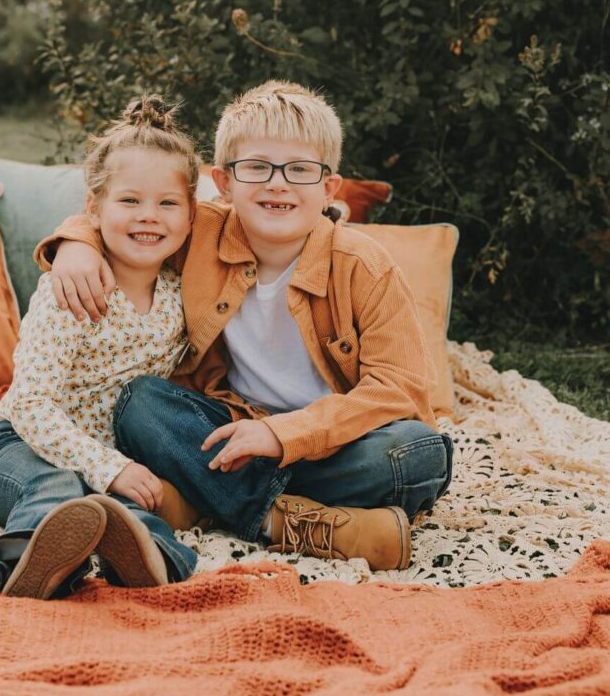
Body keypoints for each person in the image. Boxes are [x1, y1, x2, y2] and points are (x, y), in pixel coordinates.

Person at [39, 81, 454, 573]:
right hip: (227, 435)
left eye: (299, 170)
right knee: (140, 402)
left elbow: (399, 389)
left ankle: (199, 498)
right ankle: (286, 520)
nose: (278, 184)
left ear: (328, 188)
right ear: (224, 181)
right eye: (257, 167)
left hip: (332, 446)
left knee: (420, 452)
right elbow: (131, 216)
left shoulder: (364, 266)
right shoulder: (200, 231)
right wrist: (76, 242)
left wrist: (284, 435)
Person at [0, 96, 201, 598]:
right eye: (129, 201)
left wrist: (118, 470)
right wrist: (106, 466)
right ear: (93, 208)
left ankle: (151, 558)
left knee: (132, 506)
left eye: (168, 203)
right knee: (59, 488)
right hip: (22, 446)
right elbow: (32, 405)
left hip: (115, 461)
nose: (149, 216)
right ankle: (27, 559)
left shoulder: (183, 292)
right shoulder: (72, 289)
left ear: (191, 215)